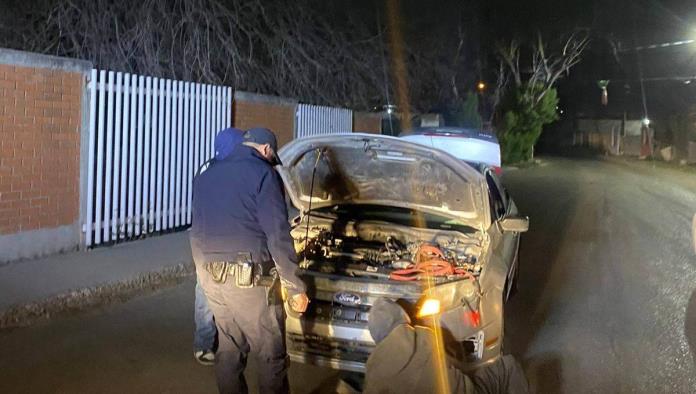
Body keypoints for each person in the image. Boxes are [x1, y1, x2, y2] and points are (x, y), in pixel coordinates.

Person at [190, 127, 309, 394]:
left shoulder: (205, 176)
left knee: (229, 350)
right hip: (249, 283)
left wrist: (203, 273)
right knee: (270, 354)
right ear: (266, 150)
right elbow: (277, 235)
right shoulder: (263, 174)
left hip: (212, 281)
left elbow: (196, 231)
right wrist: (294, 286)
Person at [364, 298, 529, 394]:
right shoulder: (422, 336)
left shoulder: (371, 371)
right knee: (508, 367)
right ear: (401, 316)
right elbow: (459, 367)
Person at [193, 127, 245, 366]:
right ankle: (216, 344)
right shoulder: (227, 170)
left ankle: (206, 344)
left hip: (203, 236)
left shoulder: (207, 167)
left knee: (206, 289)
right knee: (217, 292)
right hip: (219, 237)